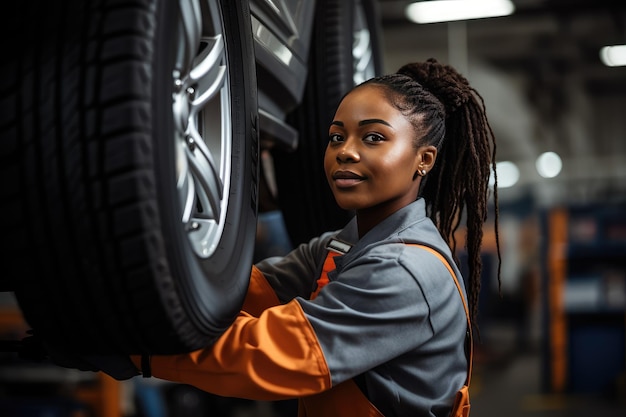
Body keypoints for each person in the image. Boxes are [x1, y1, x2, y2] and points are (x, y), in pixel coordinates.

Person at [107, 58, 500, 416]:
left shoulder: (405, 270)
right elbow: (242, 291)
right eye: (336, 137)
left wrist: (140, 350)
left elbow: (279, 356)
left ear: (424, 159)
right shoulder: (344, 246)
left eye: (373, 137)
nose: (345, 152)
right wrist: (125, 302)